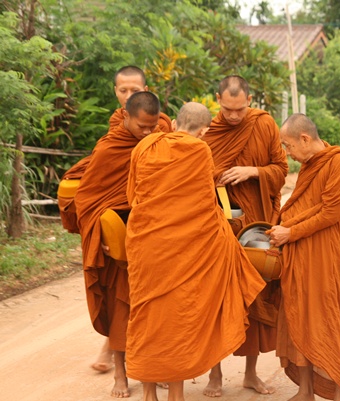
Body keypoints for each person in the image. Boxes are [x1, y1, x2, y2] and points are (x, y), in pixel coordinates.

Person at [125, 102, 266, 401]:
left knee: (147, 317)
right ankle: (176, 395)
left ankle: (149, 394)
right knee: (176, 321)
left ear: (174, 124)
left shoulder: (147, 145)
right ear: (203, 132)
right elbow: (204, 206)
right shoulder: (200, 151)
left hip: (146, 246)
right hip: (181, 251)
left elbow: (132, 194)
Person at [58, 66, 173, 378]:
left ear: (147, 88)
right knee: (120, 298)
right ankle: (120, 364)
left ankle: (157, 368)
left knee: (157, 301)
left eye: (135, 89)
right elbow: (90, 197)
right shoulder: (112, 141)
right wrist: (99, 233)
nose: (129, 95)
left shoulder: (163, 131)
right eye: (123, 90)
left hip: (153, 229)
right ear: (117, 95)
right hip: (119, 232)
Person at [202, 75, 288, 397]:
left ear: (250, 100)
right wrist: (218, 177)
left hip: (254, 223)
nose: (234, 116)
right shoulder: (209, 132)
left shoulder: (264, 125)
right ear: (217, 100)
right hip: (218, 223)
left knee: (255, 297)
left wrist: (253, 172)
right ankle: (214, 375)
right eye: (228, 109)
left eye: (240, 109)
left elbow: (280, 169)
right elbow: (195, 174)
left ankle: (251, 374)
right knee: (217, 297)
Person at [74, 91, 162, 398]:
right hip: (117, 244)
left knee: (155, 309)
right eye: (142, 127)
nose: (148, 133)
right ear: (125, 116)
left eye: (153, 127)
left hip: (151, 239)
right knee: (120, 310)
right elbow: (87, 201)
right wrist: (102, 239)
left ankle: (154, 369)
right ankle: (121, 375)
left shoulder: (159, 142)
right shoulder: (109, 149)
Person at [269, 113, 340, 401]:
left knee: (325, 317)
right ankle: (305, 390)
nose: (288, 154)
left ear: (305, 139)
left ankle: (338, 388)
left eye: (289, 146)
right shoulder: (311, 164)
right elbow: (306, 204)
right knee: (299, 317)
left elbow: (330, 212)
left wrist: (289, 232)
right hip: (302, 253)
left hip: (325, 256)